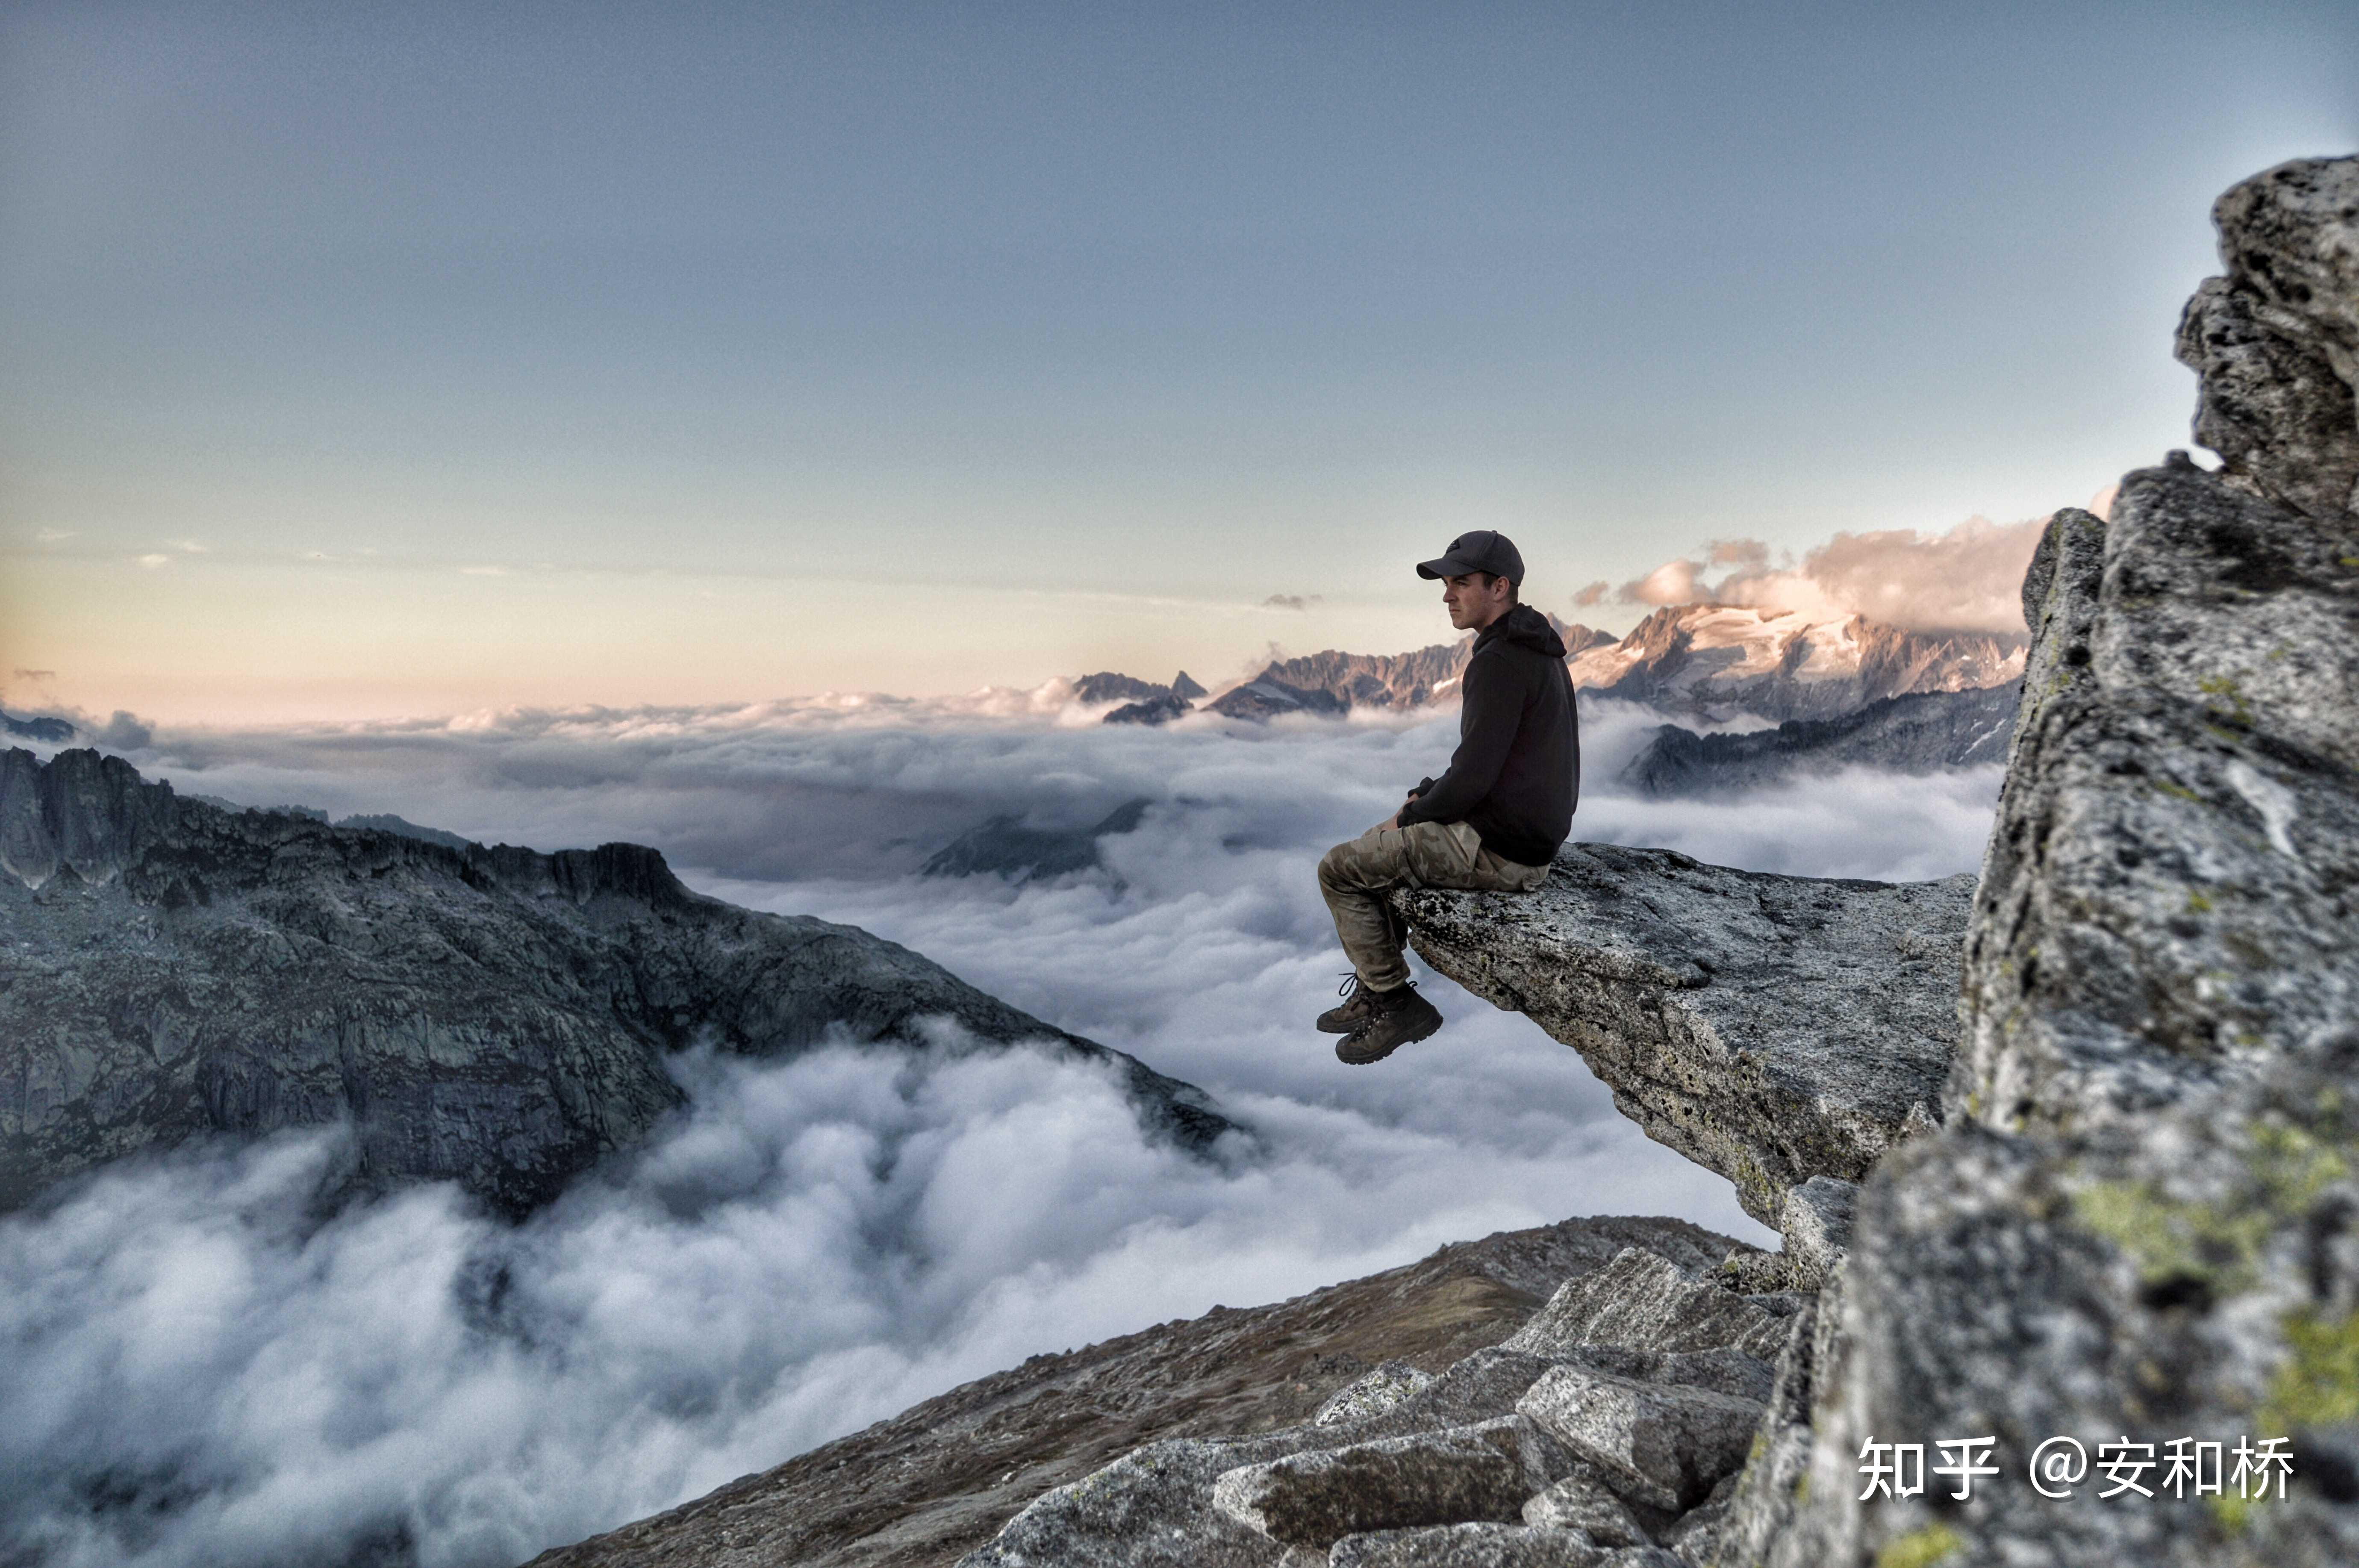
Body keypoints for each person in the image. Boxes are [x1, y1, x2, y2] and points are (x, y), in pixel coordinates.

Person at [1315, 530, 1579, 1064]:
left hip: (1499, 851)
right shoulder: (1535, 651)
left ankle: (1393, 1002)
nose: (1446, 595)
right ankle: (1376, 986)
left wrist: (1411, 815)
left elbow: (1475, 778)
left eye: (1460, 583)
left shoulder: (1500, 661)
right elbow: (1488, 761)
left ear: (1499, 587)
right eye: (1445, 583)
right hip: (1524, 834)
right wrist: (1426, 797)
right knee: (1378, 846)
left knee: (1340, 868)